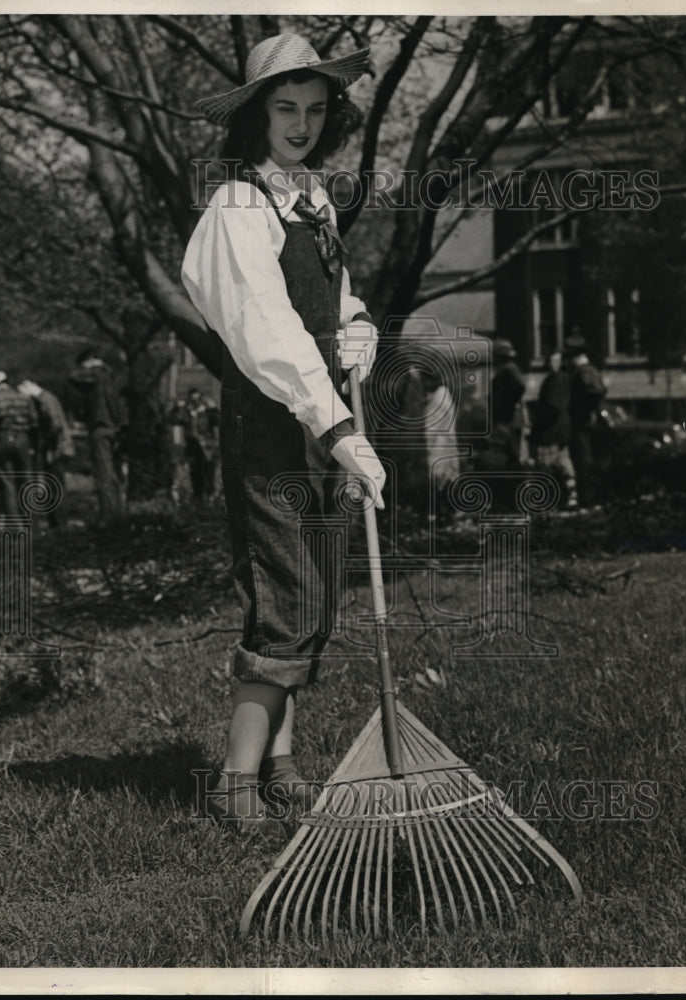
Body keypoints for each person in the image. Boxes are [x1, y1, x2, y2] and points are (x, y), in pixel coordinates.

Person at [182, 32, 384, 834]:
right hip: (271, 420)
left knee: (310, 590)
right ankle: (236, 782)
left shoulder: (313, 195)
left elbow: (326, 299)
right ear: (254, 116)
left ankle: (283, 764)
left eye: (315, 109)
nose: (301, 124)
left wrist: (358, 322)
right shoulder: (237, 207)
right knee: (288, 591)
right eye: (284, 108)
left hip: (315, 413)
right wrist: (337, 426)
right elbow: (265, 331)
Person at [68, 348, 127, 525]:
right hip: (114, 428)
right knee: (114, 474)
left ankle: (108, 517)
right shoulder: (111, 377)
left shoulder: (95, 377)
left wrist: (91, 365)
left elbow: (73, 377)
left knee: (104, 474)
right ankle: (117, 512)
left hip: (100, 427)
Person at [18, 379, 76, 528]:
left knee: (56, 486)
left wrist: (50, 448)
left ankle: (59, 523)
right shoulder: (48, 398)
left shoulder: (45, 400)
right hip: (58, 447)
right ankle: (57, 522)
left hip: (56, 448)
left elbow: (55, 426)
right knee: (54, 485)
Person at [0, 371, 38, 516]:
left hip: (3, 441)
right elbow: (34, 421)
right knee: (27, 481)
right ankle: (32, 523)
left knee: (7, 484)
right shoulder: (24, 397)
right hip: (23, 440)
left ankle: (14, 526)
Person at [530, 350, 578, 509]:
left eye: (555, 360)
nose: (552, 364)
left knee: (545, 465)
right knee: (563, 464)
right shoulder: (562, 379)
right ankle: (570, 496)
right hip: (561, 428)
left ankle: (546, 500)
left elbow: (553, 406)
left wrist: (538, 421)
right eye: (550, 360)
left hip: (550, 429)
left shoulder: (556, 380)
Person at [565, 333, 606, 508]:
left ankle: (587, 498)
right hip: (586, 420)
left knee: (583, 459)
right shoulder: (589, 370)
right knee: (584, 458)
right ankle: (588, 496)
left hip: (582, 421)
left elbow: (596, 391)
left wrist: (585, 408)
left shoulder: (584, 371)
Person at [479, 338, 526, 471]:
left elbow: (520, 386)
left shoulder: (508, 369)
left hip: (506, 422)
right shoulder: (507, 370)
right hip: (508, 422)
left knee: (508, 459)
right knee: (508, 458)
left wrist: (509, 405)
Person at [178, 387, 219, 502]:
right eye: (192, 399)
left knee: (209, 469)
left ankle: (209, 494)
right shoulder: (186, 410)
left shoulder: (208, 409)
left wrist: (216, 440)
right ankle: (198, 495)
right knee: (195, 470)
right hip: (192, 444)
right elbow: (176, 420)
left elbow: (216, 421)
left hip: (207, 443)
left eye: (197, 398)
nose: (195, 401)